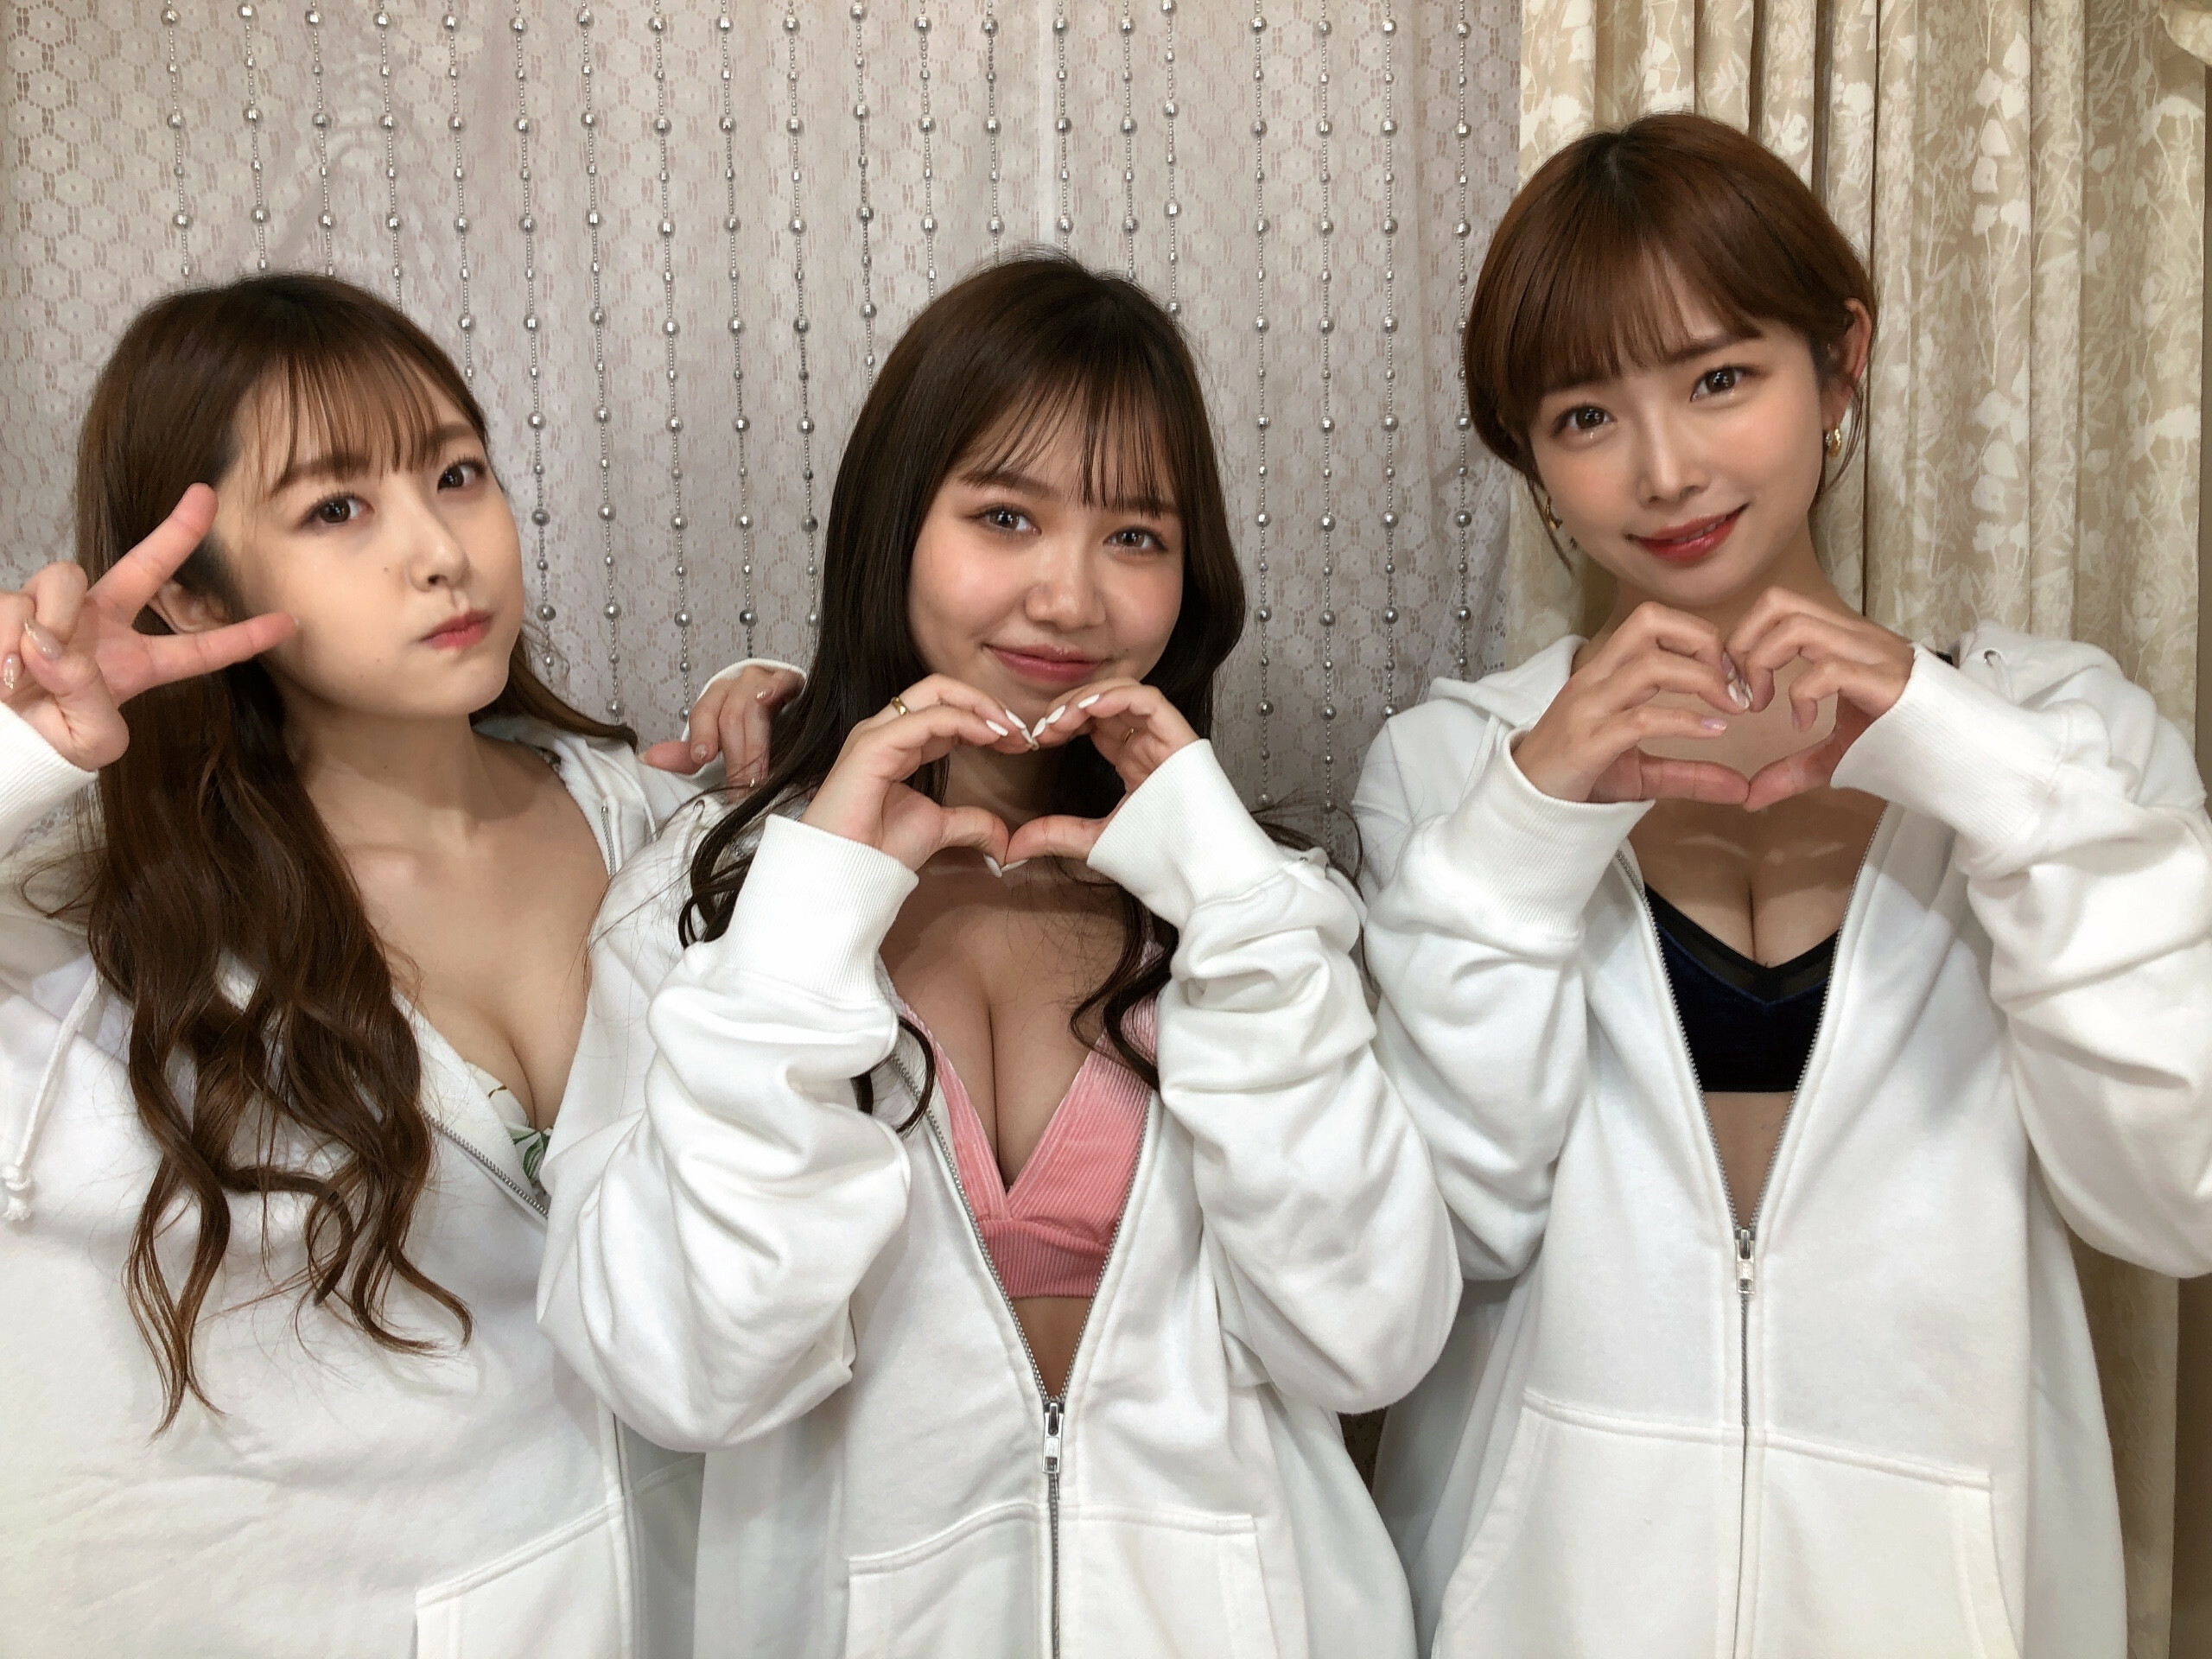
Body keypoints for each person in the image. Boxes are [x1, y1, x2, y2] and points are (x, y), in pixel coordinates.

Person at [1357, 114, 2212, 1657]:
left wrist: (1966, 759)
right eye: (1584, 414)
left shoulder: (2061, 743)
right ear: (1531, 459)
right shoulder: (1455, 768)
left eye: (1720, 378)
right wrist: (1531, 820)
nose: (1666, 469)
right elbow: (1432, 1250)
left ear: (1841, 365)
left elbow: (2175, 1193)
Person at [538, 253, 1459, 1658]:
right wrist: (808, 917)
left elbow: (1370, 1339)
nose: (1069, 597)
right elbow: (683, 1377)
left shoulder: (1256, 907)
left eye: (1135, 535)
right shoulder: (709, 902)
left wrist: (1229, 893)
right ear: (896, 523)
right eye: (1006, 516)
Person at [0, 272, 790, 1657]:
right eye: (336, 509)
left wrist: (803, 717)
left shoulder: (657, 833)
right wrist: (27, 753)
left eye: (457, 474)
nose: (440, 551)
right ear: (190, 590)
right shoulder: (96, 925)